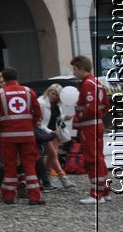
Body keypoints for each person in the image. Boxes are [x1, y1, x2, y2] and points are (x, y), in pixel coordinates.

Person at [0, 67, 43, 205]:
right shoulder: (29, 92)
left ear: (4, 80)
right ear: (17, 77)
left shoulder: (0, 94)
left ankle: (9, 196)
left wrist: (1, 128)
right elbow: (37, 112)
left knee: (9, 165)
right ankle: (34, 197)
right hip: (27, 135)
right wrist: (30, 125)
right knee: (29, 165)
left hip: (8, 136)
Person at [71, 55, 112, 204]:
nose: (74, 72)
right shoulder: (97, 83)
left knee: (92, 159)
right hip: (97, 124)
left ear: (82, 69)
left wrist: (78, 117)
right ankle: (105, 191)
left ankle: (96, 194)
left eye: (75, 69)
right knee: (99, 158)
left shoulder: (87, 84)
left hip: (89, 125)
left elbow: (90, 107)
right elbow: (105, 105)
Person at [40, 84, 66, 187]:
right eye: (53, 93)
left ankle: (46, 179)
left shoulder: (57, 105)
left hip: (54, 132)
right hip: (45, 132)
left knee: (51, 157)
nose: (54, 96)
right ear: (48, 92)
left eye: (56, 95)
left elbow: (57, 117)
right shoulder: (41, 103)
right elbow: (40, 121)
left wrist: (64, 117)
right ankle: (63, 177)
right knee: (53, 154)